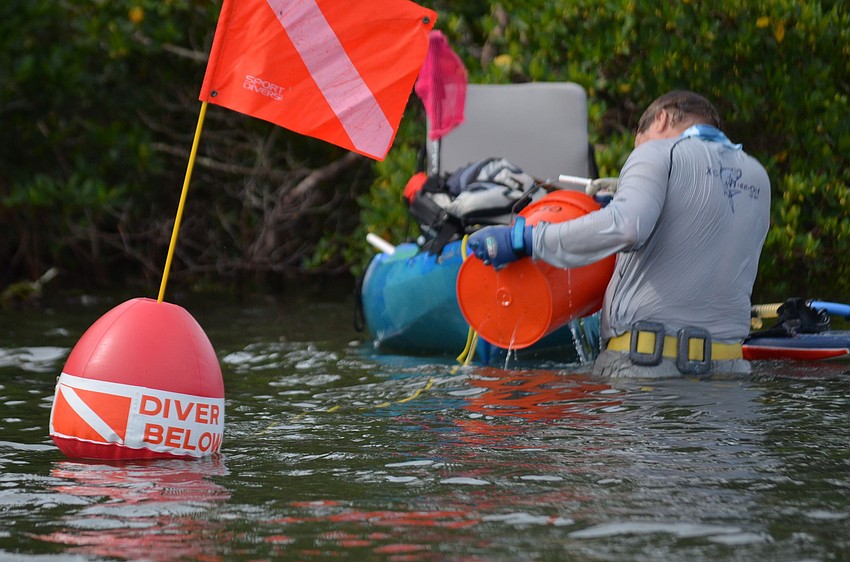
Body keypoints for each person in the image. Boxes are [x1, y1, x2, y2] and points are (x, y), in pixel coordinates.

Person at [468, 90, 771, 378]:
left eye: (639, 142)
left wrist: (527, 240)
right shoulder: (756, 174)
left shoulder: (658, 151)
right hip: (728, 372)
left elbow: (626, 226)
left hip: (647, 372)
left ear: (662, 119)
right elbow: (695, 229)